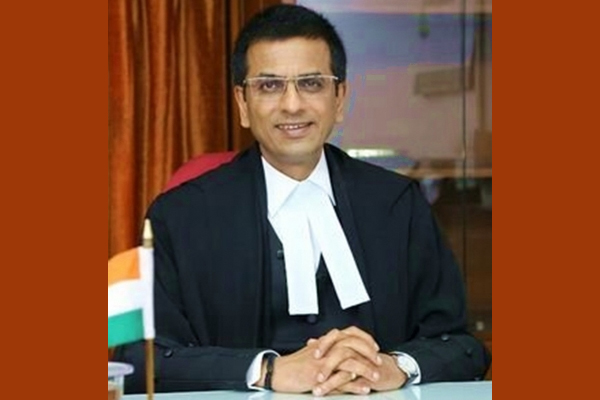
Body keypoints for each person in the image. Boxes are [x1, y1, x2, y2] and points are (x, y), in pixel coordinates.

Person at [114, 4, 491, 396]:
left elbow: (461, 347)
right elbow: (141, 361)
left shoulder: (397, 205)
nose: (292, 104)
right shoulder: (181, 216)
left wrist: (394, 367)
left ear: (339, 98)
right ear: (242, 103)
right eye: (269, 86)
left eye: (311, 83)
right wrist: (267, 370)